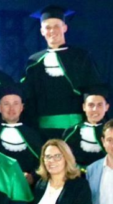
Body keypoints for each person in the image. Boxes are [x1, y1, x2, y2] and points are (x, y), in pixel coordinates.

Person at [22, 5, 104, 139]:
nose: (52, 31)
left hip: (77, 129)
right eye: (48, 27)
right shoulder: (33, 62)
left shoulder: (81, 57)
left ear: (65, 28)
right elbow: (29, 96)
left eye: (56, 26)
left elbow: (94, 88)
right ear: (42, 31)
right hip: (44, 131)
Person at [24, 139, 91, 204]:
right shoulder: (40, 184)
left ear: (66, 158)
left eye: (57, 156)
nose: (52, 161)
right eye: (48, 157)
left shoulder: (79, 186)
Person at [0, 86, 43, 185]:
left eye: (16, 104)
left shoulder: (33, 134)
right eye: (6, 104)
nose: (11, 108)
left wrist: (32, 177)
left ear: (22, 107)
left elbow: (42, 162)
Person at [62, 84, 110, 169]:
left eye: (99, 105)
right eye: (91, 105)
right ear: (84, 107)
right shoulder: (71, 132)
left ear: (106, 107)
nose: (95, 109)